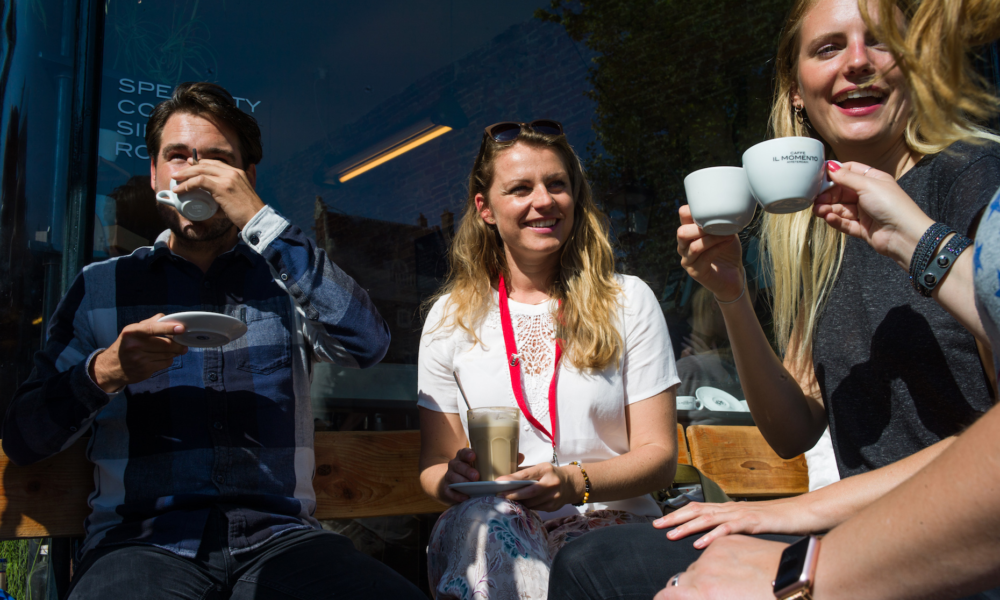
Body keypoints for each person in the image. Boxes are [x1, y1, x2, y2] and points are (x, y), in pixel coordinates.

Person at [548, 0, 1000, 597]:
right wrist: (730, 295)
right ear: (795, 87)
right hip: (846, 522)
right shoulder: (820, 227)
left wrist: (789, 513)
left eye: (882, 41)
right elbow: (793, 429)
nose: (858, 62)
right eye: (829, 47)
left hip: (939, 534)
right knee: (591, 560)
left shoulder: (971, 179)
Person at [2, 82, 425, 599]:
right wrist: (105, 372)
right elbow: (24, 437)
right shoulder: (102, 286)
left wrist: (261, 222)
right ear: (156, 174)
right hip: (142, 543)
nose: (196, 173)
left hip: (281, 541)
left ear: (246, 178)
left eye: (219, 160)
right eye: (178, 156)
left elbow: (368, 344)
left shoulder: (284, 278)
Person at [416, 120, 680, 599]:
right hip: (496, 532)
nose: (544, 200)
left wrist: (574, 481)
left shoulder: (628, 299)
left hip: (612, 530)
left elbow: (659, 457)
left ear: (574, 198)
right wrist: (452, 480)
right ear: (486, 210)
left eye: (556, 184)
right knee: (490, 520)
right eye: (520, 188)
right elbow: (435, 463)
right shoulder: (449, 318)